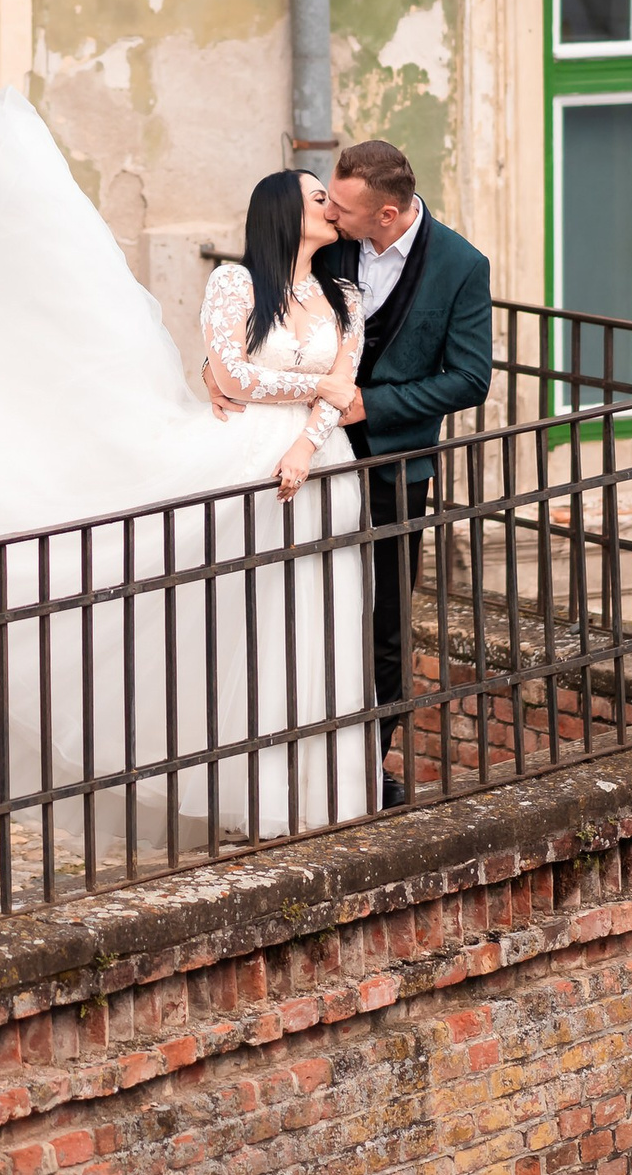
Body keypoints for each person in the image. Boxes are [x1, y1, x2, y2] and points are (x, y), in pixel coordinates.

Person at [0, 91, 377, 847]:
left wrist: (306, 441)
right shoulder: (236, 285)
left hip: (321, 467)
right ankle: (248, 795)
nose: (329, 205)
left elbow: (346, 387)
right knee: (244, 625)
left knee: (316, 622)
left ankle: (321, 797)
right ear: (281, 211)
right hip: (243, 463)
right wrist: (310, 392)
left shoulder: (345, 293)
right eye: (315, 196)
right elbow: (237, 376)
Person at [205, 141, 493, 809]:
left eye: (340, 205)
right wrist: (216, 373)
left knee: (382, 623)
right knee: (292, 604)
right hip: (303, 453)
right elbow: (265, 317)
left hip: (393, 464)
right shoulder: (332, 245)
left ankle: (365, 763)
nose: (330, 212)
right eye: (325, 199)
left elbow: (469, 378)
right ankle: (266, 759)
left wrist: (371, 404)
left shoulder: (460, 266)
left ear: (386, 214)